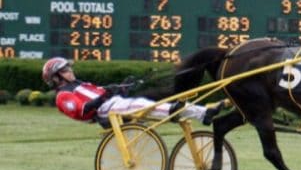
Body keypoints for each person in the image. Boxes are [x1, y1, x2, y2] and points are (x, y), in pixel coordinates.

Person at [41, 57, 226, 125]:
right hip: (104, 111)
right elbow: (82, 110)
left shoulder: (80, 84)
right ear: (56, 78)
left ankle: (204, 113)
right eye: (65, 70)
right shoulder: (63, 96)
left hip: (112, 104)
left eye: (68, 68)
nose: (70, 71)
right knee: (144, 105)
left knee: (149, 102)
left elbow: (103, 92)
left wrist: (121, 87)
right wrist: (106, 95)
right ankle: (177, 111)